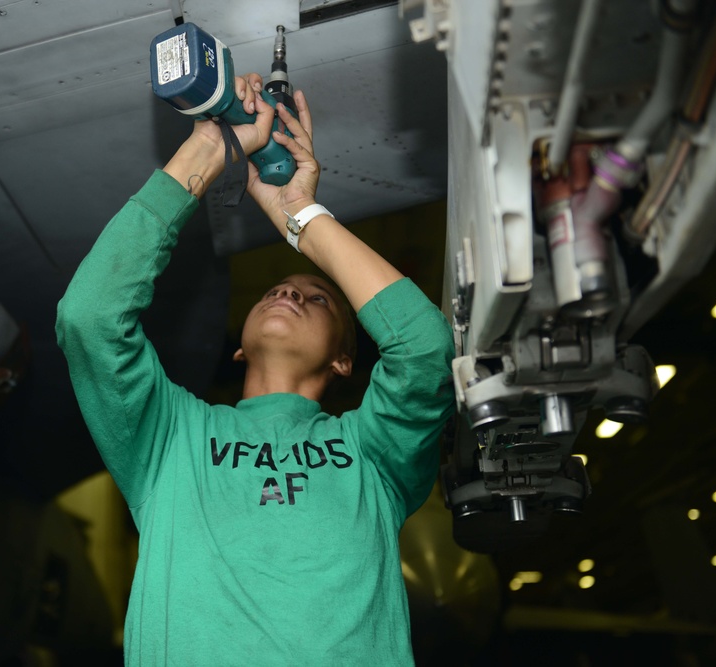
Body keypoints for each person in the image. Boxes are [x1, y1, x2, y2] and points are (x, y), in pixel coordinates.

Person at [56, 72, 454, 665]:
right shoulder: (170, 438)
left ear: (346, 358)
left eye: (316, 298)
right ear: (238, 348)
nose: (289, 295)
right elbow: (90, 318)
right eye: (276, 289)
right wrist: (211, 146)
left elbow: (424, 349)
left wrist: (302, 215)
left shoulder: (375, 453)